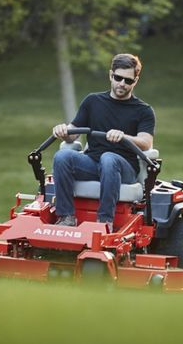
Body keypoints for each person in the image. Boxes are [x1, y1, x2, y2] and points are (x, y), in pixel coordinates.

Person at [52, 53, 155, 232]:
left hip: (125, 168)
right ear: (110, 75)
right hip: (92, 163)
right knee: (62, 156)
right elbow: (72, 133)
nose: (122, 83)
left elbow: (146, 143)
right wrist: (63, 131)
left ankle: (104, 222)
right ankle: (66, 217)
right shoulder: (93, 101)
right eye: (118, 78)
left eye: (128, 80)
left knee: (109, 158)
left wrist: (123, 136)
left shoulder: (143, 110)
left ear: (135, 81)